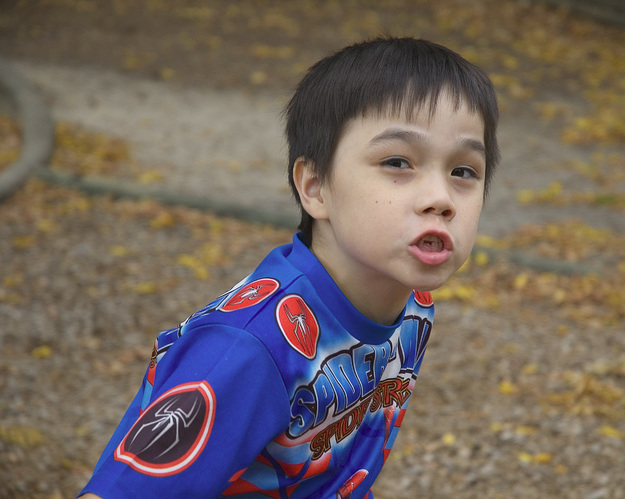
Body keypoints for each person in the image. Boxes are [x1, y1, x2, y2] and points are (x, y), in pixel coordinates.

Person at [79, 36, 500, 498]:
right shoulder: (249, 351)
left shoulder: (413, 303)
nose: (440, 199)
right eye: (397, 162)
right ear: (315, 187)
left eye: (464, 171)